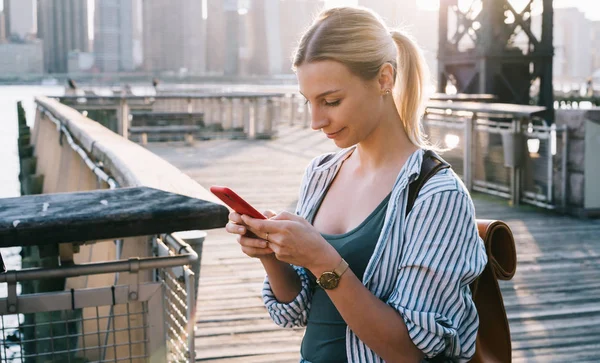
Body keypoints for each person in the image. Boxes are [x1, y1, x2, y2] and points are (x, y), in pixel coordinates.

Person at [225, 6, 487, 363]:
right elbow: (295, 313)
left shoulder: (437, 195)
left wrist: (322, 259)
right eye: (309, 102)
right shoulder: (321, 173)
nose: (316, 121)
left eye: (331, 101)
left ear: (384, 79)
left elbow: (409, 351)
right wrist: (272, 256)